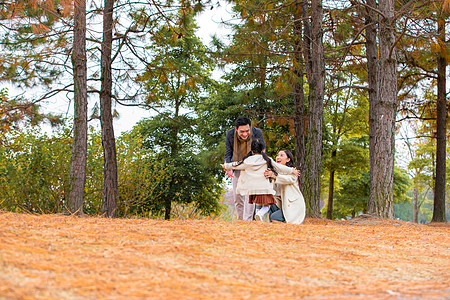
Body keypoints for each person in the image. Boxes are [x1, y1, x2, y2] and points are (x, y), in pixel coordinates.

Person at [222, 139, 299, 221]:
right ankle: (259, 214)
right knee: (266, 205)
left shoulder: (248, 160)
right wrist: (291, 170)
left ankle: (258, 217)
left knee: (258, 203)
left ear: (251, 150)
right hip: (264, 188)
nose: (278, 157)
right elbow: (279, 167)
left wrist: (226, 166)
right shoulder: (267, 160)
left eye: (281, 155)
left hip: (253, 189)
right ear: (263, 150)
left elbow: (237, 164)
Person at [224, 116, 266, 221]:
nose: (245, 134)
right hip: (237, 166)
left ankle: (248, 221)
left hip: (252, 167)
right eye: (242, 131)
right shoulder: (230, 134)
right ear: (236, 129)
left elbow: (263, 151)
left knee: (249, 197)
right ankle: (240, 220)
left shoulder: (257, 132)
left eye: (247, 130)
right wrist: (228, 167)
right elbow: (228, 153)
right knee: (238, 197)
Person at [264, 149, 305, 224]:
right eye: (277, 155)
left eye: (281, 155)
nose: (278, 157)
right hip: (280, 205)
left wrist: (273, 175)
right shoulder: (275, 172)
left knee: (273, 217)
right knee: (269, 199)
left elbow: (286, 179)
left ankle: (278, 222)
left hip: (292, 207)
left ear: (288, 159)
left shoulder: (293, 172)